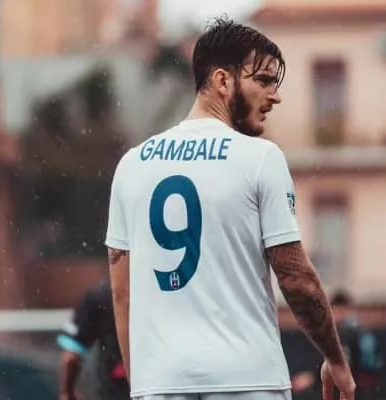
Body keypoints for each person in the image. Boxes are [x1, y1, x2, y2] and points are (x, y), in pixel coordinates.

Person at [104, 16, 355, 400]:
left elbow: (122, 295)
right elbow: (295, 277)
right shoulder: (260, 158)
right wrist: (334, 356)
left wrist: (143, 384)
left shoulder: (131, 165)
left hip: (161, 383)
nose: (275, 96)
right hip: (246, 379)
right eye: (264, 80)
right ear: (222, 81)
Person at [291, 291, 382, 400]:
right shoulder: (330, 333)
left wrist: (312, 378)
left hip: (351, 389)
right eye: (336, 311)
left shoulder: (353, 334)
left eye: (342, 311)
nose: (339, 315)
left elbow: (344, 364)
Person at [56, 277, 129, 400]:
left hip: (113, 392)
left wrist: (67, 393)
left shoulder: (100, 295)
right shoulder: (155, 293)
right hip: (156, 389)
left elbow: (71, 357)